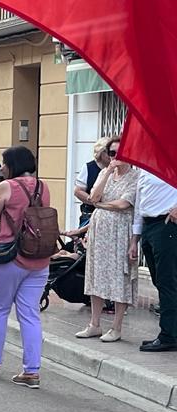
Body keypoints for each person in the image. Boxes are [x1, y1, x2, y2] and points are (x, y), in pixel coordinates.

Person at [0, 145, 51, 388]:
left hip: (9, 256)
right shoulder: (43, 186)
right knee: (30, 314)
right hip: (39, 259)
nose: (1, 167)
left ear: (12, 164)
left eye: (4, 163)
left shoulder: (6, 186)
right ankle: (31, 371)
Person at [74, 137, 139, 343]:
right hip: (100, 231)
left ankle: (117, 327)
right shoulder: (105, 172)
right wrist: (109, 171)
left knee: (120, 276)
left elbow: (123, 204)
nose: (116, 157)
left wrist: (101, 205)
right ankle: (94, 324)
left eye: (120, 153)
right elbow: (93, 197)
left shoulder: (136, 177)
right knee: (96, 274)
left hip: (121, 232)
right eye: (112, 153)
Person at [130, 167, 177, 352]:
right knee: (160, 280)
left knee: (167, 281)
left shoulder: (172, 160)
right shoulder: (144, 168)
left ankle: (168, 335)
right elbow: (140, 204)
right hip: (149, 226)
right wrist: (135, 238)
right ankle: (171, 330)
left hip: (167, 224)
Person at [75, 136, 112, 228]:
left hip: (111, 214)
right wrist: (94, 202)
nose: (110, 155)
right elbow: (78, 191)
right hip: (90, 214)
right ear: (100, 152)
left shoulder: (117, 168)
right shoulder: (89, 167)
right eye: (108, 152)